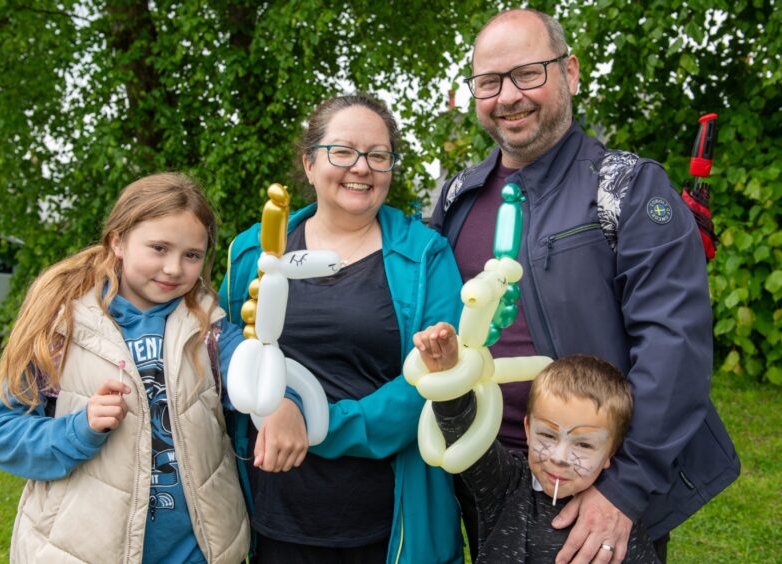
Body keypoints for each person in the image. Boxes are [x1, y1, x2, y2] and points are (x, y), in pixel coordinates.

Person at [431, 8, 739, 563]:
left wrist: (624, 488)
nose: (508, 96)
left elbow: (676, 343)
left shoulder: (626, 186)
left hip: (599, 480)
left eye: (528, 73)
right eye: (489, 81)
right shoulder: (456, 199)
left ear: (569, 73)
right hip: (488, 476)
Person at [0, 173, 308, 563]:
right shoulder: (61, 327)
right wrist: (79, 427)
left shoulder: (209, 328)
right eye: (158, 248)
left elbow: (257, 375)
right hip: (83, 551)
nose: (173, 268)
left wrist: (284, 403)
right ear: (118, 241)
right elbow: (1, 435)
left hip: (195, 550)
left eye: (192, 255)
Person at [219, 93, 464, 564]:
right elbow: (227, 350)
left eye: (378, 156)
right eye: (343, 152)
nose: (361, 167)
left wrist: (318, 424)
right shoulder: (254, 253)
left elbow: (433, 382)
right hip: (275, 515)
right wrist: (274, 405)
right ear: (309, 163)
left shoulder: (424, 256)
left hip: (386, 521)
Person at [414, 324, 661, 563]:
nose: (559, 457)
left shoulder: (612, 517)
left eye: (583, 445)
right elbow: (465, 434)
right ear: (528, 430)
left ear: (611, 452)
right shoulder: (505, 484)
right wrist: (448, 377)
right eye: (548, 435)